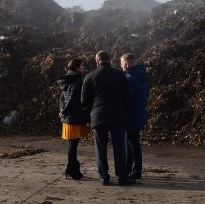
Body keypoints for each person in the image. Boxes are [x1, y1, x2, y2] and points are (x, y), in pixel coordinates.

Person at [81, 50, 133, 186]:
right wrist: (125, 110)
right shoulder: (119, 75)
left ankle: (104, 176)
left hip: (98, 116)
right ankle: (122, 176)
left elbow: (84, 100)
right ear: (109, 60)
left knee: (100, 147)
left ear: (97, 62)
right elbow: (128, 96)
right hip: (117, 115)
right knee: (119, 147)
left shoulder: (90, 76)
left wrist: (93, 109)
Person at [58, 58, 90, 180]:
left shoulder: (66, 80)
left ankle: (73, 169)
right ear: (77, 68)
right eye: (82, 66)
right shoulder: (77, 81)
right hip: (74, 117)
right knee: (73, 145)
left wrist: (62, 111)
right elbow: (73, 99)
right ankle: (72, 169)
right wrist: (64, 112)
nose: (83, 67)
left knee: (73, 144)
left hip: (67, 117)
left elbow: (61, 98)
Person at [121, 52, 149, 180]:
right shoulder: (141, 75)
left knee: (132, 143)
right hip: (139, 111)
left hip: (131, 113)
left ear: (126, 64)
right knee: (132, 141)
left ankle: (135, 170)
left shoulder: (129, 78)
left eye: (121, 65)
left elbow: (127, 98)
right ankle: (130, 167)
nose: (121, 67)